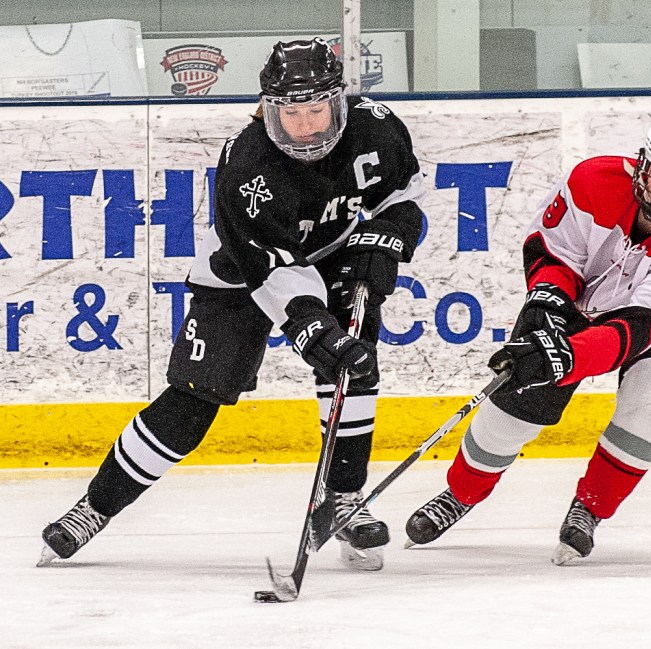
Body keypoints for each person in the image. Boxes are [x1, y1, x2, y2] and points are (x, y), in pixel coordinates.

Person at [39, 38, 424, 571]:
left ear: (337, 101)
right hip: (246, 274)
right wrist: (309, 323)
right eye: (292, 113)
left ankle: (343, 499)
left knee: (352, 366)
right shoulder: (246, 164)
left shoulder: (378, 128)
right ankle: (93, 508)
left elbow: (402, 196)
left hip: (339, 257)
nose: (307, 125)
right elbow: (266, 266)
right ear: (269, 109)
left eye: (316, 110)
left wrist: (386, 240)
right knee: (194, 400)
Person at [405, 108, 651, 565]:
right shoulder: (593, 180)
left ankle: (590, 510)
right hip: (576, 298)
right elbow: (552, 253)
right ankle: (460, 493)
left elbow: (632, 332)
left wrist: (562, 357)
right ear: (642, 163)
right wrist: (546, 303)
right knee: (513, 409)